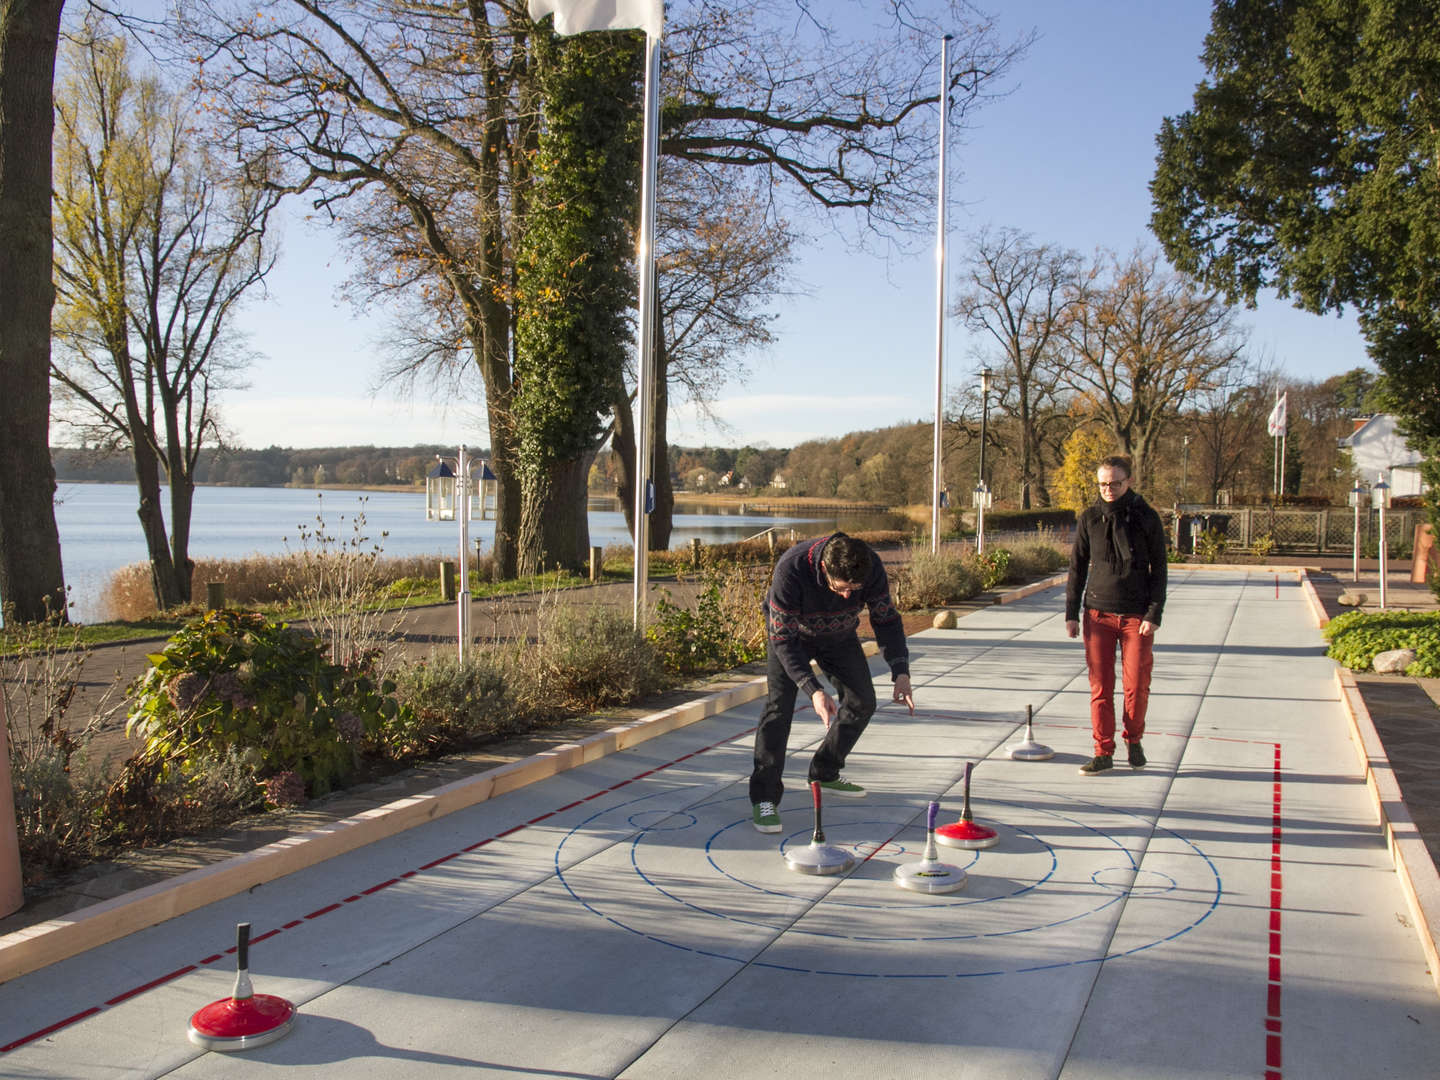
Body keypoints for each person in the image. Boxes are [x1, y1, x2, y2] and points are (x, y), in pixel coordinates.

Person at [750, 532, 915, 833]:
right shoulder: (791, 569)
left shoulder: (871, 566)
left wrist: (900, 670)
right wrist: (812, 690)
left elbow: (886, 620)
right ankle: (764, 797)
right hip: (792, 638)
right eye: (842, 588)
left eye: (855, 590)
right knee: (778, 709)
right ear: (825, 569)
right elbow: (783, 640)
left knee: (863, 700)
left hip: (839, 637)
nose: (848, 597)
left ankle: (824, 771)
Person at [1065, 456, 1167, 775]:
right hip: (1098, 614)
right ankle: (1102, 751)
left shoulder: (1146, 518)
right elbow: (1077, 567)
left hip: (1137, 616)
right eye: (1103, 484)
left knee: (1137, 686)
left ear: (1129, 482)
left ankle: (1133, 740)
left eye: (1115, 483)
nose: (1108, 489)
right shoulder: (1090, 518)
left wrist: (1154, 612)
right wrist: (1071, 612)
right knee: (1101, 686)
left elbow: (1160, 569)